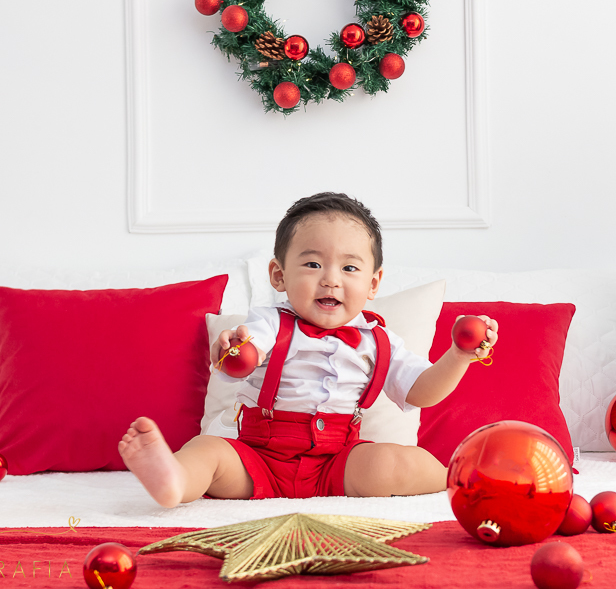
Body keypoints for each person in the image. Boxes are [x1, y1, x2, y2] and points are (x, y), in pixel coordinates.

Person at [119, 192, 498, 506]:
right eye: (313, 263)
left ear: (373, 283)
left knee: (400, 459)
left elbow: (422, 391)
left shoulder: (380, 339)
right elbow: (245, 354)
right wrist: (232, 352)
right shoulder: (268, 322)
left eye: (349, 268)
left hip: (338, 462)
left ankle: (464, 479)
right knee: (208, 451)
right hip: (258, 457)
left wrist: (459, 355)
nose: (330, 279)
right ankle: (174, 481)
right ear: (279, 275)